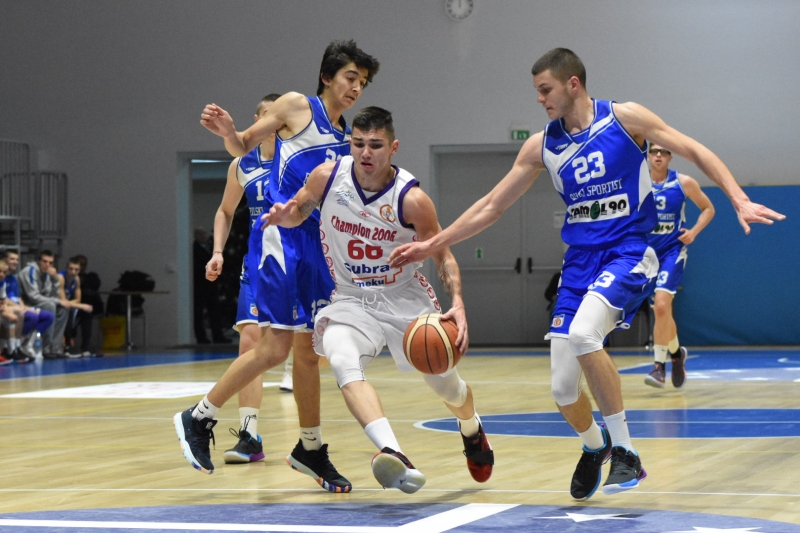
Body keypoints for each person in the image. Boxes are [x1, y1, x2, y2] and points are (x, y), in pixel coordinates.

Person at [388, 48, 785, 500]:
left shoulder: (625, 119)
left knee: (583, 336)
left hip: (628, 251)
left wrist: (737, 197)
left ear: (572, 84)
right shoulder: (541, 145)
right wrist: (433, 244)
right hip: (579, 263)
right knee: (561, 390)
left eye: (546, 90)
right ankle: (596, 446)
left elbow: (692, 148)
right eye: (537, 91)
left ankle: (627, 452)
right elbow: (492, 205)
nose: (540, 99)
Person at [174, 40, 380, 493]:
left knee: (309, 353)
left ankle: (310, 448)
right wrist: (228, 131)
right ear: (327, 76)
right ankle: (199, 416)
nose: (356, 88)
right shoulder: (295, 106)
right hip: (282, 240)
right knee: (274, 350)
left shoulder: (347, 136)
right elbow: (242, 145)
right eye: (350, 78)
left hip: (318, 247)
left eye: (363, 83)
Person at [264, 106, 494, 493]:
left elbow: (443, 254)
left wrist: (458, 300)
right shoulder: (327, 178)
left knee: (447, 386)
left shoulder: (412, 199)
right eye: (358, 144)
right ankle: (394, 453)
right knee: (340, 355)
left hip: (404, 299)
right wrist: (284, 216)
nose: (365, 153)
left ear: (393, 147)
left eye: (375, 145)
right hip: (352, 298)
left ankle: (472, 429)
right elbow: (297, 212)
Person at [204, 93, 295, 466]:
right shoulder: (242, 164)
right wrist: (218, 251)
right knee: (250, 343)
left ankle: (311, 439)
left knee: (313, 352)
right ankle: (249, 434)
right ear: (258, 120)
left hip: (298, 263)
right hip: (258, 265)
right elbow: (225, 211)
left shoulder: (299, 161)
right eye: (268, 115)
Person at [644, 145, 715, 389]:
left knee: (662, 306)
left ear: (670, 157)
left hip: (672, 252)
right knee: (662, 312)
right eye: (654, 151)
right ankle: (676, 355)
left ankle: (658, 367)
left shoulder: (683, 182)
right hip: (646, 254)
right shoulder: (637, 183)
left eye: (664, 152)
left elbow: (708, 208)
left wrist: (693, 232)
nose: (658, 155)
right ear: (648, 156)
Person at [0, 250, 52, 362]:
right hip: (9, 308)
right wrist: (18, 309)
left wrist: (25, 307)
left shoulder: (12, 279)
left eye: (17, 259)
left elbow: (16, 298)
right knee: (26, 316)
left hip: (13, 307)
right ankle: (11, 348)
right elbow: (5, 300)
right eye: (12, 259)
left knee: (48, 316)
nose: (15, 262)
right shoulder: (4, 280)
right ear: (4, 260)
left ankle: (26, 345)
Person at [18, 250, 70, 358]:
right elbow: (33, 297)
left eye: (50, 263)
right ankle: (46, 349)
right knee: (50, 306)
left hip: (39, 303)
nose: (47, 265)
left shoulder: (47, 274)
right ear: (38, 261)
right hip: (26, 304)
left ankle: (55, 348)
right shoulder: (30, 271)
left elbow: (53, 295)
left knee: (63, 309)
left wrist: (55, 279)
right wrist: (57, 301)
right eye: (45, 261)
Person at [192, 228, 230, 344]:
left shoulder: (211, 248)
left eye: (205, 234)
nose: (204, 236)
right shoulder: (194, 249)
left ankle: (218, 336)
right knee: (198, 312)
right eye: (201, 234)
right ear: (196, 236)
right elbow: (196, 266)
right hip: (200, 284)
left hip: (212, 284)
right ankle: (201, 337)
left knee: (215, 311)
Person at [58, 256, 94, 358]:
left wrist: (77, 305)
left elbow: (78, 299)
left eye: (76, 270)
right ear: (66, 268)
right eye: (71, 269)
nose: (73, 272)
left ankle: (86, 346)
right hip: (56, 304)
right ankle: (68, 345)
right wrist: (80, 305)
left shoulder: (77, 279)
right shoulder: (61, 278)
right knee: (68, 309)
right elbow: (63, 300)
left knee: (86, 312)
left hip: (67, 304)